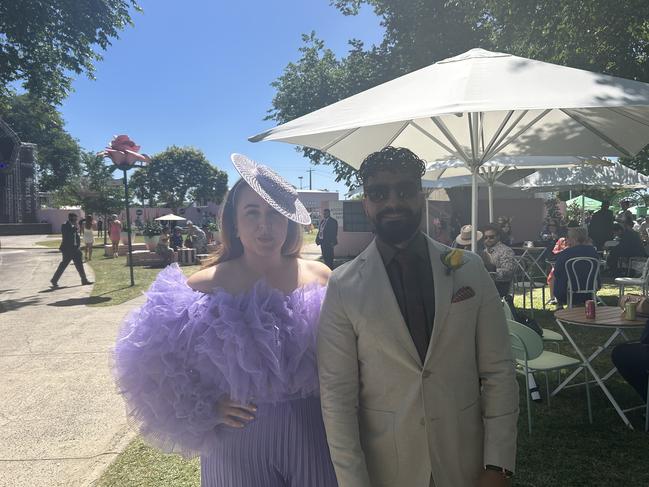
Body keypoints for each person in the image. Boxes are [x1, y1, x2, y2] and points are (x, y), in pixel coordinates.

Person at [113, 154, 337, 487]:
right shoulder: (204, 285)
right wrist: (207, 406)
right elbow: (150, 364)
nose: (265, 225)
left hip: (316, 432)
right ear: (233, 222)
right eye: (252, 212)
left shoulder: (322, 277)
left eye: (275, 213)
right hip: (237, 440)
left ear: (289, 221)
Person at [317, 147, 518, 487]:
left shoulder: (469, 270)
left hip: (465, 462)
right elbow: (337, 397)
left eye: (405, 190)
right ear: (366, 202)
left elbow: (499, 371)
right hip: (388, 467)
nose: (393, 202)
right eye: (379, 193)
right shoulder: (343, 285)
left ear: (421, 196)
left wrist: (498, 465)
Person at [553, 227, 601, 307]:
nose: (566, 239)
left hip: (568, 290)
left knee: (556, 276)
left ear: (574, 239)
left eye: (568, 237)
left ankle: (559, 304)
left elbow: (557, 272)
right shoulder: (593, 252)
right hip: (590, 289)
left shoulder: (566, 253)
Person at [50, 212, 92, 288]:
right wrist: (74, 228)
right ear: (71, 218)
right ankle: (54, 280)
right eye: (75, 218)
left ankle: (84, 280)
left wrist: (78, 246)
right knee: (63, 265)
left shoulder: (73, 225)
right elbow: (66, 236)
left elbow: (76, 237)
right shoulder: (65, 225)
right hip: (68, 249)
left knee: (79, 265)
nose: (77, 220)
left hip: (76, 249)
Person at [481, 224, 516, 297]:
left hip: (501, 286)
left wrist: (492, 272)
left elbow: (508, 271)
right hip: (486, 284)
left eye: (491, 237)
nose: (488, 239)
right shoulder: (484, 251)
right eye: (485, 237)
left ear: (498, 237)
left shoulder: (506, 251)